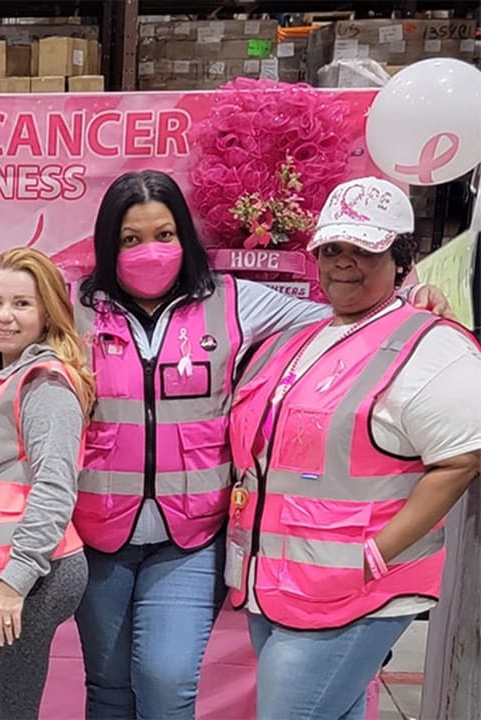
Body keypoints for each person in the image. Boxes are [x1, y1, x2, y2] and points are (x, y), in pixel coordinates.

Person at [71, 169, 451, 718]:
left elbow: (347, 314)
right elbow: (0, 327)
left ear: (185, 238)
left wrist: (413, 294)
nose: (149, 250)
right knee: (106, 685)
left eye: (164, 234)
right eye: (131, 239)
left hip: (189, 537)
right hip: (99, 531)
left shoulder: (232, 302)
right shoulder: (78, 308)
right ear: (110, 243)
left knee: (166, 678)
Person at [225, 177, 481, 719]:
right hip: (278, 583)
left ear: (400, 254)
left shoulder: (431, 345)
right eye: (332, 249)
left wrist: (375, 554)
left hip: (353, 593)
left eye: (364, 250)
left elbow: (463, 456)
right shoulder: (302, 336)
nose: (343, 263)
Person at [0, 248, 94, 719]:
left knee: (7, 711)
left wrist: (15, 583)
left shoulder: (44, 384)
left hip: (24, 572)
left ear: (47, 312)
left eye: (21, 304)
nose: (3, 317)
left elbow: (55, 488)